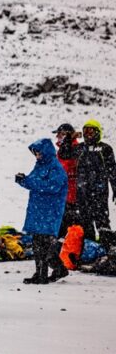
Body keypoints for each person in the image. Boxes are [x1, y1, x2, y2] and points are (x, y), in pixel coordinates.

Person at [15, 139, 67, 285]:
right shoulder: (40, 165)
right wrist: (23, 180)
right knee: (38, 244)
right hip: (38, 211)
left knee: (44, 244)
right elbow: (34, 183)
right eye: (35, 153)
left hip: (49, 212)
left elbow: (53, 187)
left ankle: (51, 271)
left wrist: (29, 182)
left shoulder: (56, 168)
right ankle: (41, 273)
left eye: (39, 153)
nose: (37, 156)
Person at [74, 120, 116, 248]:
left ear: (97, 132)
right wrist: (70, 138)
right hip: (82, 193)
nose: (88, 134)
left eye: (91, 130)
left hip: (99, 193)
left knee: (102, 222)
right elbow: (64, 154)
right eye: (85, 130)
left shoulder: (105, 149)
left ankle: (108, 250)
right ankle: (90, 251)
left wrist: (115, 188)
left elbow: (112, 170)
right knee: (85, 223)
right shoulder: (80, 148)